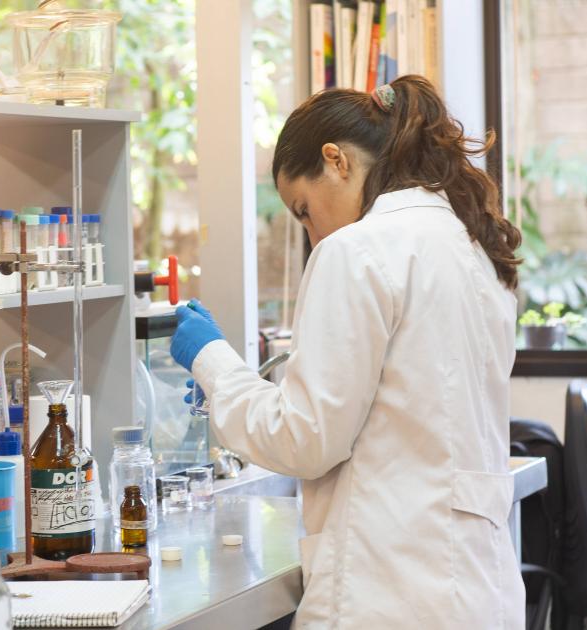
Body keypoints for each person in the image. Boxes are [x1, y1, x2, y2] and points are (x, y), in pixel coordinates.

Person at [171, 75, 525, 629]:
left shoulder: (356, 252)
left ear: (336, 160)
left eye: (304, 210)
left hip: (388, 594)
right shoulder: (475, 246)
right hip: (479, 594)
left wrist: (215, 362)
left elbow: (305, 439)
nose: (311, 235)